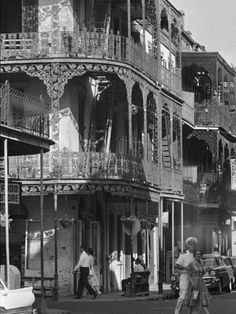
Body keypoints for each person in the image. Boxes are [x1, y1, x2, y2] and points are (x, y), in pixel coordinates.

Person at [174, 236, 198, 314]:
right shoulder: (183, 255)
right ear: (187, 245)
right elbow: (177, 265)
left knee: (194, 296)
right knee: (183, 296)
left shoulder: (196, 256)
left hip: (194, 278)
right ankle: (177, 312)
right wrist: (185, 268)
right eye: (190, 244)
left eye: (193, 244)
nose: (192, 246)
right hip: (185, 278)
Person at [185, 249, 211, 314]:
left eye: (199, 254)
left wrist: (206, 270)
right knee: (193, 300)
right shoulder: (192, 264)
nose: (198, 255)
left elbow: (201, 274)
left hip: (201, 283)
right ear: (194, 255)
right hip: (194, 284)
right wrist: (192, 283)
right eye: (196, 254)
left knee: (202, 298)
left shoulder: (201, 263)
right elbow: (188, 275)